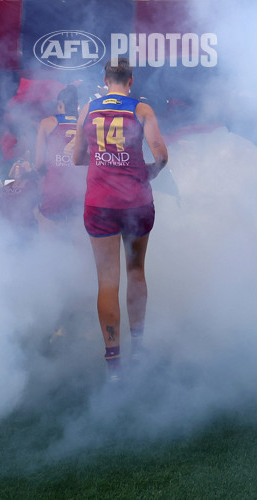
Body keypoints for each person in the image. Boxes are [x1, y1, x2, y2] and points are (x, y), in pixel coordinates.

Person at [73, 57, 168, 381]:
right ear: (130, 81)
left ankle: (113, 365)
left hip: (99, 204)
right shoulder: (141, 109)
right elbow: (161, 154)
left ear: (105, 80)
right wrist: (147, 175)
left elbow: (76, 157)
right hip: (135, 203)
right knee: (136, 271)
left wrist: (99, 157)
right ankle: (138, 349)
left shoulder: (88, 109)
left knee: (107, 282)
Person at [35, 84, 85, 235]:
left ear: (60, 104)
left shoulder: (47, 123)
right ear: (77, 106)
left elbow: (39, 163)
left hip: (55, 189)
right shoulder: (86, 125)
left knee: (49, 242)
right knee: (78, 243)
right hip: (80, 191)